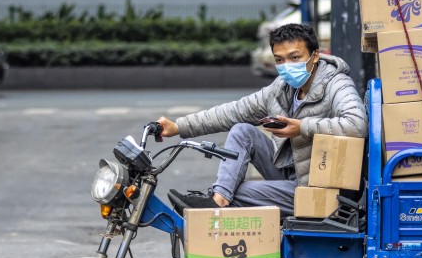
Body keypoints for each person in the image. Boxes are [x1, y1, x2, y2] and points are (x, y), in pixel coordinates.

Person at [155, 23, 367, 217]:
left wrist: (302, 128)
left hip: (325, 190)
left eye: (295, 58)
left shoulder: (337, 84)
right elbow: (233, 111)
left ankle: (220, 203)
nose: (287, 66)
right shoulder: (281, 89)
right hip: (293, 177)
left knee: (240, 191)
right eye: (279, 60)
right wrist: (178, 127)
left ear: (315, 56)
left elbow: (357, 124)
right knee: (242, 131)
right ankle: (219, 200)